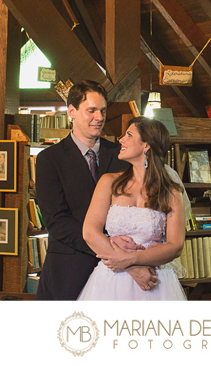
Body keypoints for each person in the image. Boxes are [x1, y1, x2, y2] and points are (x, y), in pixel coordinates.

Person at [35, 81, 158, 300]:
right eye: (91, 111)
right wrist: (110, 248)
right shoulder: (49, 159)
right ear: (71, 111)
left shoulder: (123, 155)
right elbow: (57, 222)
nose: (99, 118)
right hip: (69, 272)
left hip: (122, 279)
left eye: (102, 111)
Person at [77, 116, 187, 301]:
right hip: (112, 281)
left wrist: (132, 259)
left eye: (129, 135)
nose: (121, 140)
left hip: (155, 281)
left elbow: (175, 246)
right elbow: (90, 232)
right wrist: (130, 268)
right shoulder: (109, 182)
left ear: (146, 145)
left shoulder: (171, 192)